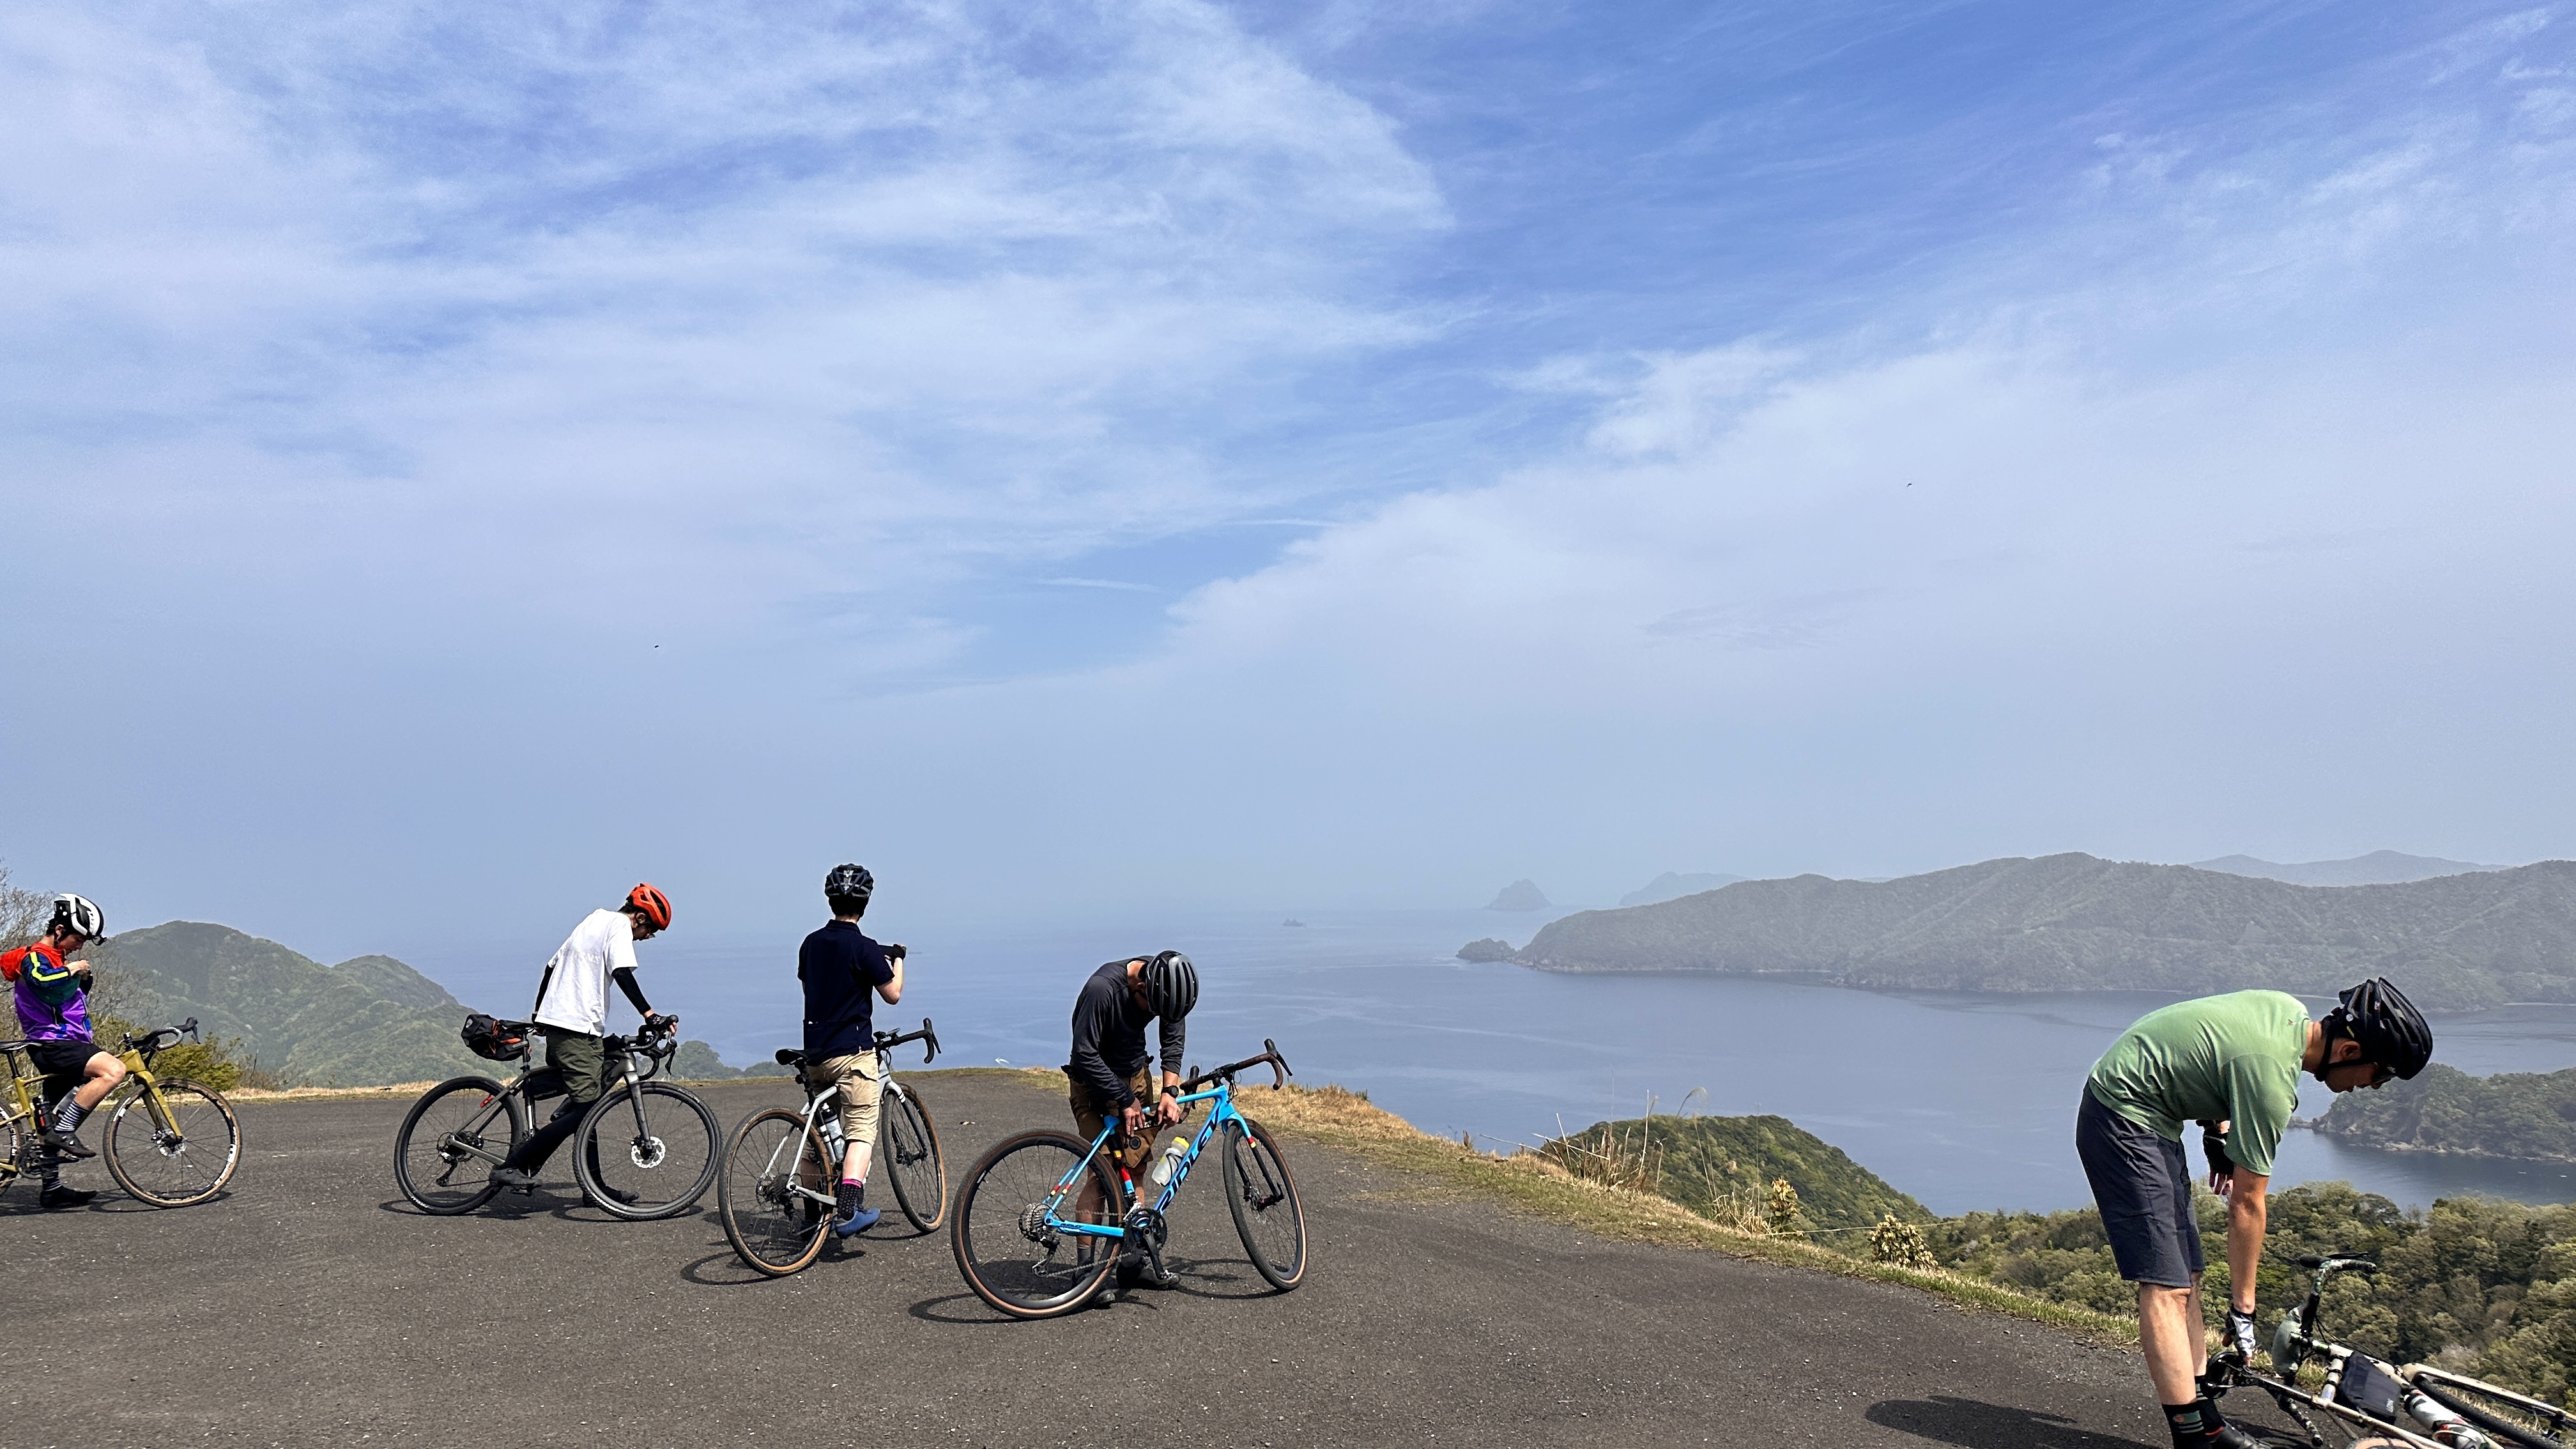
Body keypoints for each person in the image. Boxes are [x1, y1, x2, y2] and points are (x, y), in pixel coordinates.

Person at [2078, 977, 2433, 1449]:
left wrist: (2216, 1128)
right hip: (2123, 1115)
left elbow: (2211, 1046)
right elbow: (2246, 1205)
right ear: (2349, 1052)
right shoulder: (2273, 1082)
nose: (2369, 1087)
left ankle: (2199, 1401)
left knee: (2189, 1273)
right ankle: (2196, 1437)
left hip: (2150, 1109)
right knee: (2166, 1286)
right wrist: (2244, 1308)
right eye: (2380, 1074)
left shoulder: (2285, 1013)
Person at [492, 884, 676, 1197]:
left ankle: (594, 1190)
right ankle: (514, 1165)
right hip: (575, 1029)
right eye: (652, 930)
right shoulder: (619, 925)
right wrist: (650, 1015)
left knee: (588, 1097)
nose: (648, 938)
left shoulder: (594, 919)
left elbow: (551, 967)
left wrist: (541, 1014)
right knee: (587, 1107)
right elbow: (621, 972)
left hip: (568, 1027)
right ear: (640, 918)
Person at [1065, 948, 1198, 1291]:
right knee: (1103, 1176)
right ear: (1140, 985)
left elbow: (1172, 1033)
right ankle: (1086, 1275)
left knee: (1136, 1168)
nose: (1155, 1014)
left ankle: (1132, 1262)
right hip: (1094, 1085)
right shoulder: (1102, 990)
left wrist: (1170, 1090)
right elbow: (1084, 1053)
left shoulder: (1163, 986)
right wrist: (1124, 1100)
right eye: (1151, 1008)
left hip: (1134, 1078)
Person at [797, 863, 905, 1237]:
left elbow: (808, 985)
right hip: (853, 1055)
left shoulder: (810, 943)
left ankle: (812, 1219)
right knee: (861, 1131)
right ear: (866, 903)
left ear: (830, 900)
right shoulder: (865, 947)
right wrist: (898, 961)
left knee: (819, 1139)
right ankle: (847, 1212)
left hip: (815, 1055)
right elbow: (892, 994)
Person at [1, 894, 116, 1209]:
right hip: (54, 1043)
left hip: (66, 1042)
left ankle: (51, 1188)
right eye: (79, 938)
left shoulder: (55, 958)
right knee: (113, 1071)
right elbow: (41, 980)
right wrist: (73, 969)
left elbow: (66, 1001)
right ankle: (62, 1132)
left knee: (50, 1116)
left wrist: (80, 979)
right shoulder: (37, 957)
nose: (81, 945)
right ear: (61, 930)